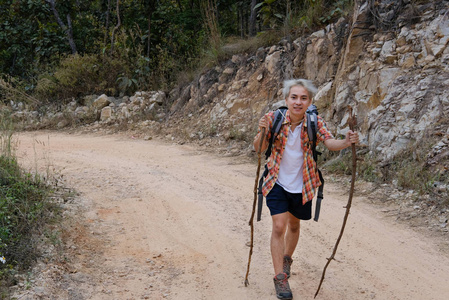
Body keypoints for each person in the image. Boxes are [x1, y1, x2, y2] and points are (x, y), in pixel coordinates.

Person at [253, 79, 359, 299]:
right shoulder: (273, 119)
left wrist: (346, 142)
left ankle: (287, 259)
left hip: (303, 184)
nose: (298, 102)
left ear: (309, 101)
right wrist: (262, 131)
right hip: (276, 182)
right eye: (294, 97)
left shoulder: (314, 122)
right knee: (279, 226)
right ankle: (280, 278)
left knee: (293, 225)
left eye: (303, 98)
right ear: (286, 99)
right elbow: (259, 149)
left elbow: (329, 143)